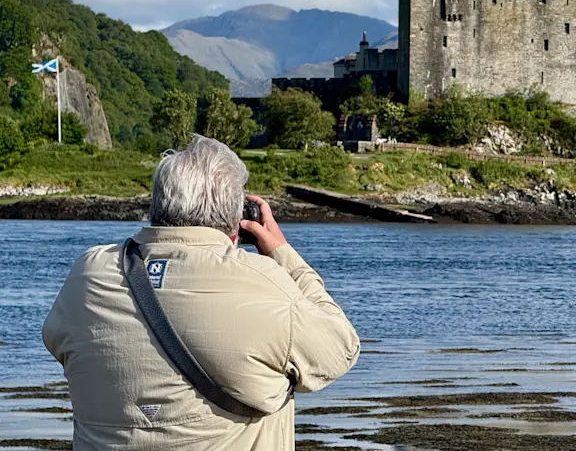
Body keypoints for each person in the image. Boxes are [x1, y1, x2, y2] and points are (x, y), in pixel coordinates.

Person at [42, 135, 360, 450]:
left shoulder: (88, 273)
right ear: (238, 223)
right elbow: (339, 350)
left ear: (156, 206)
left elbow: (58, 343)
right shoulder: (265, 283)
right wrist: (282, 253)